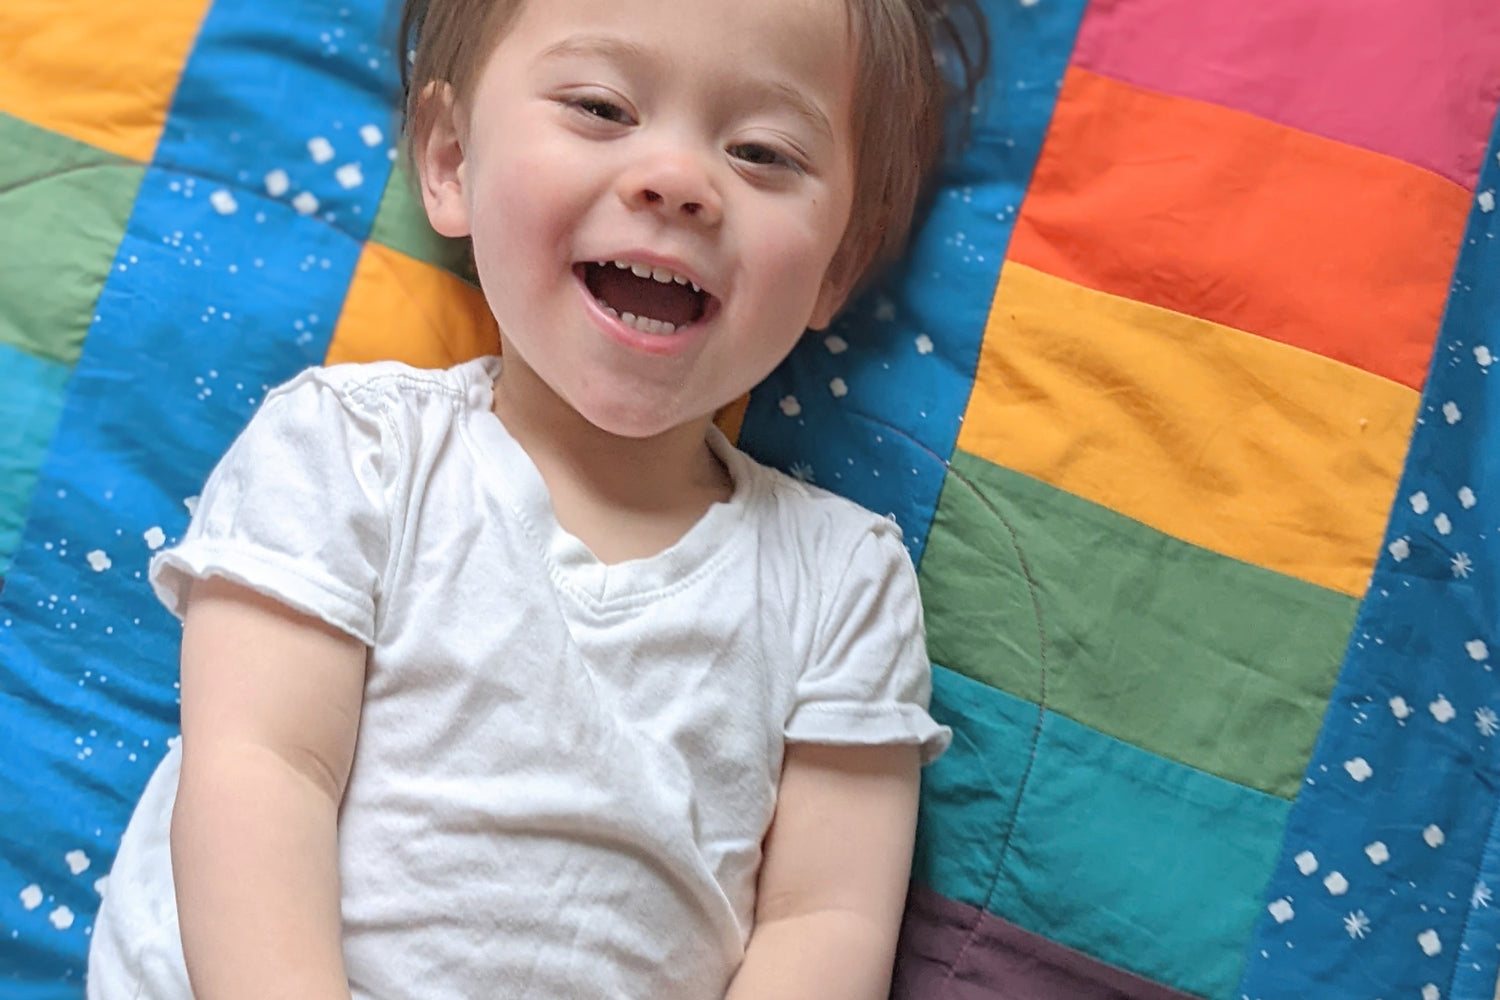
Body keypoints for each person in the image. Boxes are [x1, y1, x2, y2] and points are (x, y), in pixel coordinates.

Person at [88, 0, 986, 996]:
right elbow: (259, 771)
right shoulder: (352, 450)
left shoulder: (842, 583)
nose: (678, 181)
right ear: (450, 160)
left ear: (839, 265)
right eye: (602, 107)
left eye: (764, 153)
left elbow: (827, 920)